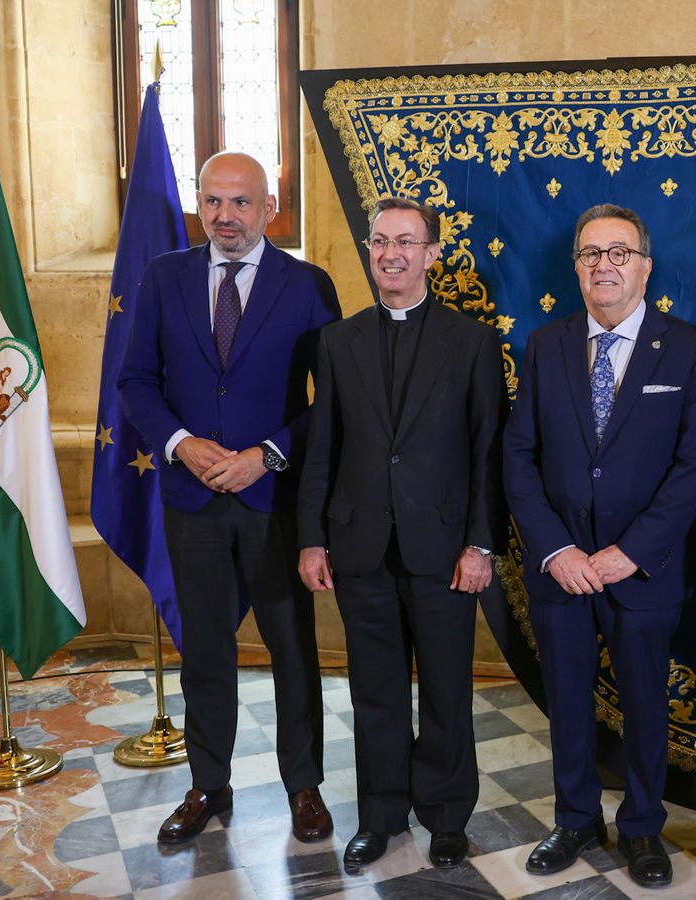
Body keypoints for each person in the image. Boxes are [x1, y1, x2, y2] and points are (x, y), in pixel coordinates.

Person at [118, 151, 340, 846]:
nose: (225, 216)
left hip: (275, 504)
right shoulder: (164, 279)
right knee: (206, 652)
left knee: (292, 651)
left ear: (269, 208)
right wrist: (181, 443)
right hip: (192, 502)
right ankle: (208, 787)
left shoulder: (307, 285)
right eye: (213, 201)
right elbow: (135, 383)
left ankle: (303, 787)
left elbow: (332, 402)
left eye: (241, 202)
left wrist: (266, 454)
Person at [504, 204, 696, 889]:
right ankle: (573, 820)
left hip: (642, 569)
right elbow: (519, 458)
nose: (604, 266)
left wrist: (631, 551)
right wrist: (556, 550)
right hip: (561, 568)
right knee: (566, 699)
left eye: (619, 253)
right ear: (575, 268)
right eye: (591, 254)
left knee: (645, 702)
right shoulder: (545, 346)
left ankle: (643, 828)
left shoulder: (686, 348)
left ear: (645, 266)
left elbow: (695, 467)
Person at [295, 196, 504, 872]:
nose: (392, 253)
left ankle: (446, 815)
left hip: (444, 549)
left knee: (447, 687)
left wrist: (480, 543)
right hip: (359, 546)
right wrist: (311, 537)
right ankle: (381, 813)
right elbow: (322, 447)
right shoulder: (337, 341)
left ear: (431, 254)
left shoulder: (471, 341)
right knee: (375, 689)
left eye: (407, 242)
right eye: (381, 240)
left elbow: (486, 451)